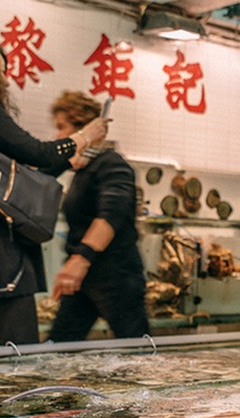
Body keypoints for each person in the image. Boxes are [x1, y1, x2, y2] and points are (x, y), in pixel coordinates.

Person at [0, 42, 108, 347]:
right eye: (1, 72)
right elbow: (36, 152)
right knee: (21, 356)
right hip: (1, 254)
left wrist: (67, 159)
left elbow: (17, 177)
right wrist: (84, 137)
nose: (6, 81)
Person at [47, 91, 148, 344]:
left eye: (62, 127)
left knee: (137, 351)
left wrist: (79, 259)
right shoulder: (83, 170)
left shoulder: (112, 164)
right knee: (59, 345)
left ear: (84, 129)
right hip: (85, 279)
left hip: (116, 276)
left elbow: (111, 216)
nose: (58, 136)